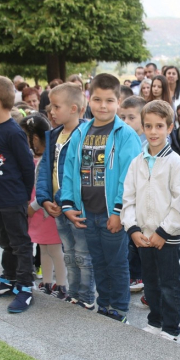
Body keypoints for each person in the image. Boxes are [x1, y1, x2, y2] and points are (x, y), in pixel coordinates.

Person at [61, 73, 141, 322]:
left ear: (118, 101)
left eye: (109, 100)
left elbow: (129, 177)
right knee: (97, 261)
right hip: (87, 212)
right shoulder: (80, 132)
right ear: (88, 99)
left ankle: (118, 308)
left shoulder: (125, 135)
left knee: (116, 263)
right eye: (97, 99)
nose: (103, 106)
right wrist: (68, 203)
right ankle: (104, 304)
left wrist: (118, 211)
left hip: (112, 215)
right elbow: (69, 169)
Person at [121, 100, 180, 342]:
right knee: (150, 282)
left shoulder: (175, 163)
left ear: (169, 127)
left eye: (159, 126)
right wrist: (132, 228)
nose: (153, 131)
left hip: (165, 237)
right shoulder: (136, 163)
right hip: (143, 237)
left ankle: (171, 329)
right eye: (148, 126)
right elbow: (127, 198)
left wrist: (164, 231)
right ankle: (155, 321)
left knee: (169, 284)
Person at [0, 76, 35, 313]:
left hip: (12, 199)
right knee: (5, 242)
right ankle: (9, 278)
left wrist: (21, 198)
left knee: (19, 243)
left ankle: (25, 286)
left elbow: (27, 167)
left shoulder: (13, 131)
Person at [36, 82, 94, 306]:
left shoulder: (86, 135)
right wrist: (45, 199)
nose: (51, 110)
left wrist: (62, 199)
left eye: (56, 106)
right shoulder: (54, 135)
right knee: (69, 254)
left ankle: (86, 297)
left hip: (76, 208)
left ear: (73, 108)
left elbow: (80, 175)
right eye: (50, 105)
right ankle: (75, 293)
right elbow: (45, 170)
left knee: (82, 254)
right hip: (57, 208)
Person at [20, 115, 68, 298]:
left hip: (47, 212)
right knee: (43, 249)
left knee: (55, 250)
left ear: (36, 139)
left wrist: (34, 206)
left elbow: (47, 187)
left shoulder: (48, 159)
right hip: (39, 214)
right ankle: (47, 282)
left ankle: (62, 285)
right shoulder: (35, 158)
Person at [119, 95, 148, 294]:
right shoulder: (122, 138)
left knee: (138, 240)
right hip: (127, 198)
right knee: (130, 240)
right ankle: (133, 273)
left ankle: (139, 276)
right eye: (123, 117)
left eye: (131, 117)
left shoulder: (148, 142)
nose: (126, 122)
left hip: (144, 200)